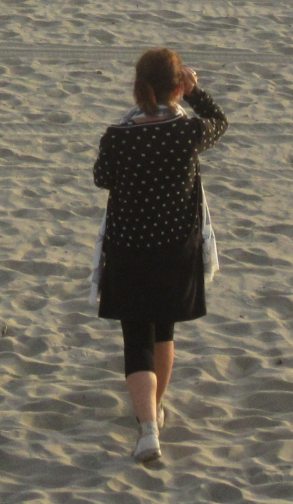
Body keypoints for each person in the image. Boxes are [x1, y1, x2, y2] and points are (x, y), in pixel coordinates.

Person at [91, 47, 227, 462]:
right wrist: (196, 93)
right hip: (174, 248)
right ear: (177, 86)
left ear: (138, 86)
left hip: (130, 248)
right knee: (163, 331)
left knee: (137, 339)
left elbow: (102, 178)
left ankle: (147, 427)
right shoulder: (187, 133)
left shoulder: (118, 136)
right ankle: (153, 412)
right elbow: (220, 122)